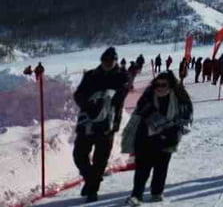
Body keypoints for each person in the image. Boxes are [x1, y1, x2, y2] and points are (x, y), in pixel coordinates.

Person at [121, 71, 192, 206]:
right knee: (142, 168)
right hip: (145, 136)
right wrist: (159, 122)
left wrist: (173, 129)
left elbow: (186, 117)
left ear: (170, 85)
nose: (159, 87)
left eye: (163, 84)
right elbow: (142, 109)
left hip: (168, 138)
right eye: (157, 84)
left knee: (161, 167)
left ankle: (157, 193)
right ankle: (136, 195)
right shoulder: (148, 95)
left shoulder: (180, 97)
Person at [73, 47, 130, 202]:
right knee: (79, 155)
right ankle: (91, 180)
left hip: (108, 124)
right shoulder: (91, 75)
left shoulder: (122, 76)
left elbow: (121, 96)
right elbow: (78, 94)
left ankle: (92, 191)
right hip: (87, 121)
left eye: (111, 60)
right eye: (105, 60)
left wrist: (105, 98)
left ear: (116, 61)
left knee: (100, 159)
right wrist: (89, 104)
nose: (107, 63)